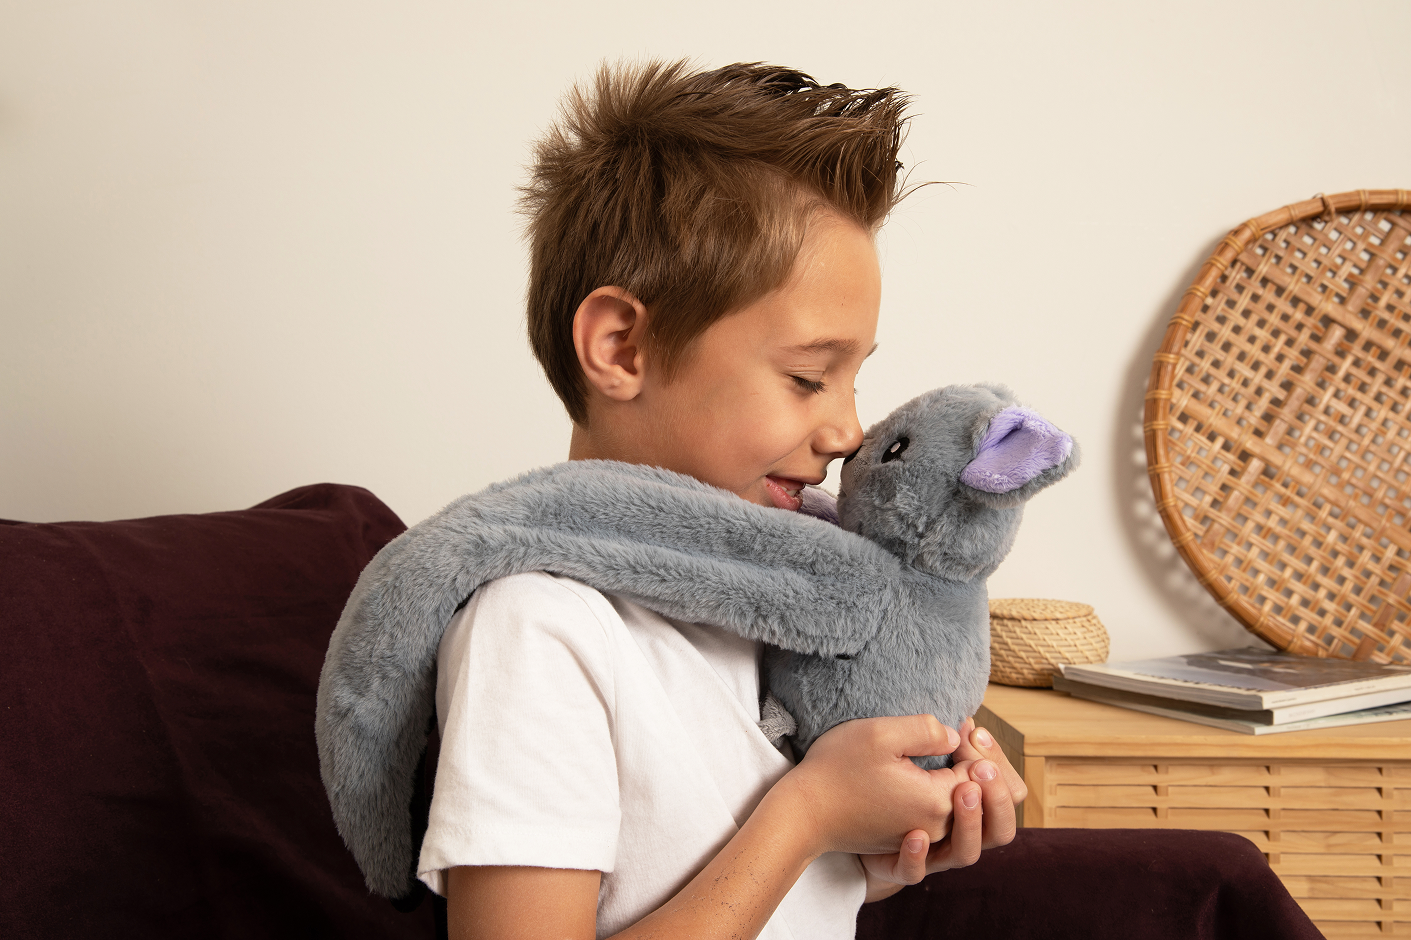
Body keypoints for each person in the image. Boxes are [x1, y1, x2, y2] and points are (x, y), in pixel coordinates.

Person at [415, 60, 1026, 940]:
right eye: (808, 377)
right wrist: (809, 812)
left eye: (854, 378)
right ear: (621, 348)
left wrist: (877, 848)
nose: (849, 431)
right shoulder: (539, 632)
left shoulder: (773, 606)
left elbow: (741, 893)